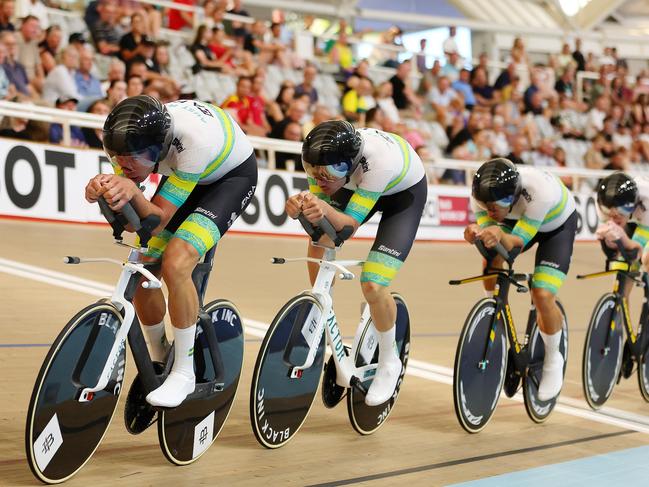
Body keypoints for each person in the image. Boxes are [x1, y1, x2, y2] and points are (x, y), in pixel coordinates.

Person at [84, 95, 258, 408]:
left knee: (178, 262)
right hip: (183, 173)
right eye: (116, 158)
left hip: (229, 180)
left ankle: (184, 372)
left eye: (133, 159)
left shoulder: (193, 142)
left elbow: (158, 218)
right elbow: (135, 223)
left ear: (157, 148)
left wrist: (132, 191)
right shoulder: (126, 140)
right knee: (142, 266)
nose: (124, 166)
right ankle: (161, 357)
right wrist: (104, 190)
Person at [285, 121, 427, 406]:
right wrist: (301, 208)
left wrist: (323, 207)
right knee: (320, 239)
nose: (320, 178)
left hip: (402, 196)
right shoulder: (324, 162)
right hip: (358, 183)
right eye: (312, 171)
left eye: (329, 173)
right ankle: (321, 306)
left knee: (373, 283)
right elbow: (323, 228)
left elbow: (348, 227)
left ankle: (390, 360)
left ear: (349, 164)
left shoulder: (378, 163)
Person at [464, 158, 577, 401]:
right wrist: (477, 232)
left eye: (495, 206)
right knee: (491, 259)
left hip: (556, 227)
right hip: (518, 219)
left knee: (543, 292)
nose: (490, 211)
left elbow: (516, 244)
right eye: (486, 206)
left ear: (512, 197)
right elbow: (491, 240)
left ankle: (553, 358)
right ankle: (493, 309)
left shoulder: (540, 193)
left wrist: (497, 231)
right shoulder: (479, 195)